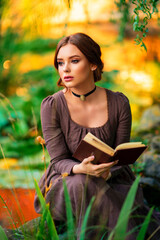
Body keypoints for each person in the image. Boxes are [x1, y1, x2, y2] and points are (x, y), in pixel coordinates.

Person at [34, 32, 160, 240]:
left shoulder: (119, 103)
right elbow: (57, 161)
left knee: (89, 184)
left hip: (112, 179)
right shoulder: (52, 105)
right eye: (60, 62)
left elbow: (121, 154)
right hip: (67, 179)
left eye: (74, 61)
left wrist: (107, 172)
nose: (65, 69)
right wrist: (80, 168)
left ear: (93, 64)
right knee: (81, 182)